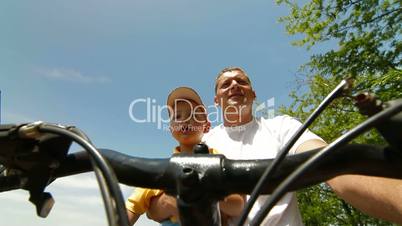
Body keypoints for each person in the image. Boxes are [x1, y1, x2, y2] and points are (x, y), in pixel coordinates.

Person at [147, 67, 402, 225]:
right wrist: (165, 205)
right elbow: (156, 204)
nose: (234, 85)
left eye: (242, 81)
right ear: (217, 100)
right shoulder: (204, 143)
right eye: (226, 84)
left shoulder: (282, 127)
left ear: (253, 94)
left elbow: (335, 165)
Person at [125, 86, 245, 225]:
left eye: (193, 115)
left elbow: (238, 206)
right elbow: (132, 208)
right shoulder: (162, 170)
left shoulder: (218, 160)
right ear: (171, 128)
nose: (185, 120)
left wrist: (205, 194)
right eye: (177, 116)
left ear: (206, 126)